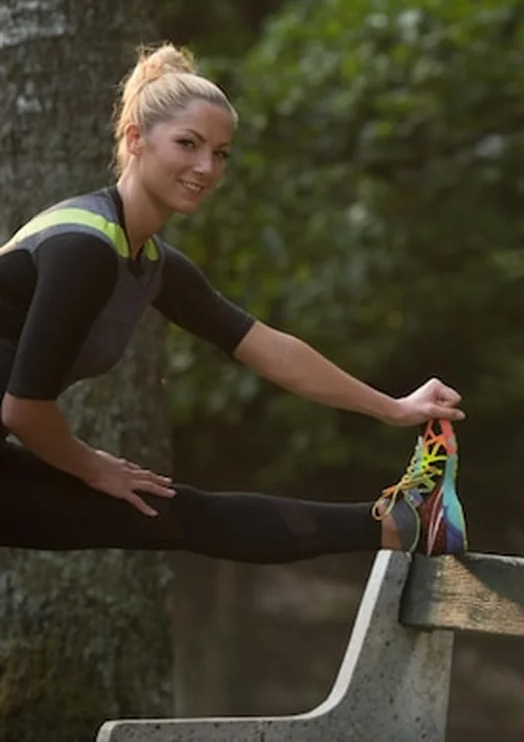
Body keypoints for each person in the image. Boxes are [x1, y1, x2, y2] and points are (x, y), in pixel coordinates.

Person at [0, 43, 468, 563]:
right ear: (135, 139)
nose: (206, 167)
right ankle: (402, 526)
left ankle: (404, 525)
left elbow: (266, 347)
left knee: (173, 512)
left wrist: (396, 407)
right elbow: (24, 409)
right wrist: (93, 467)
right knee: (171, 512)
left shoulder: (151, 263)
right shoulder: (84, 249)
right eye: (188, 144)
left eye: (220, 153)